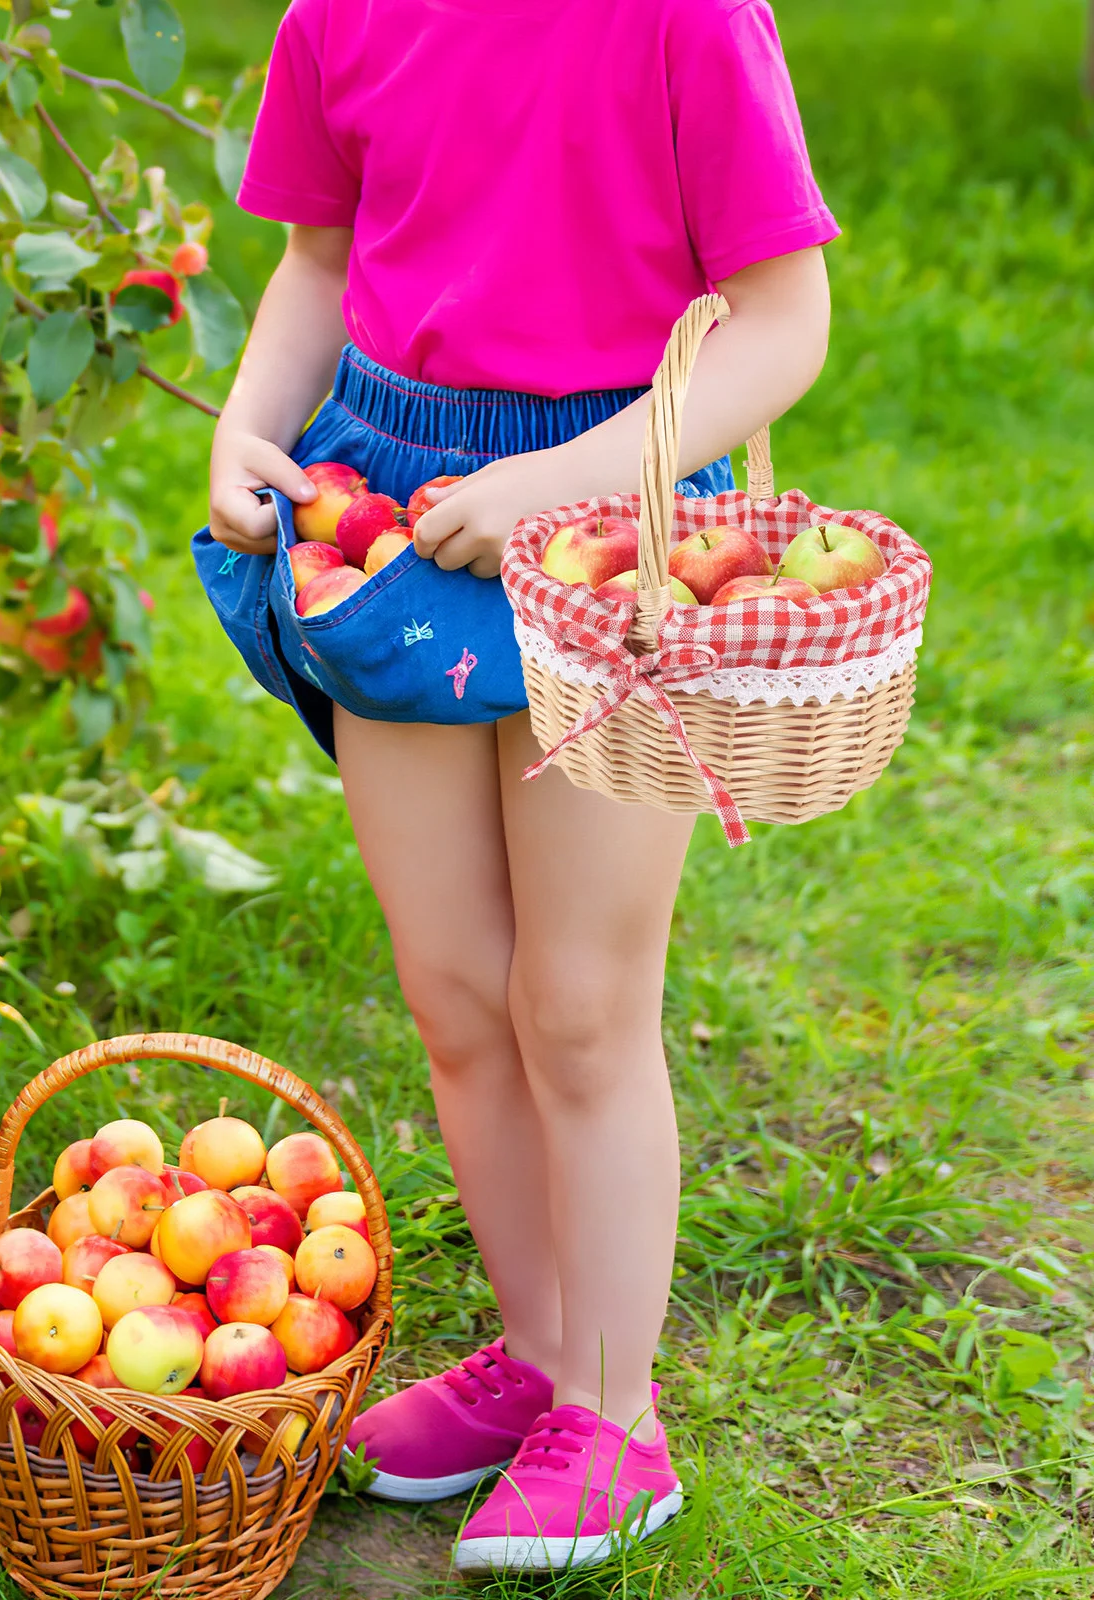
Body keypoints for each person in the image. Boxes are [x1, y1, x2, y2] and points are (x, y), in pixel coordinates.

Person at [203, 0, 836, 1573]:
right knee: (458, 995)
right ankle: (546, 1363)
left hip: (617, 528)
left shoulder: (687, 21)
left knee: (579, 1003)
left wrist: (559, 487)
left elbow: (782, 318)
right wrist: (244, 427)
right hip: (386, 510)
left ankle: (618, 1424)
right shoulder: (339, 16)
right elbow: (317, 265)